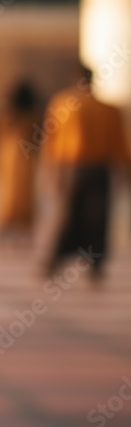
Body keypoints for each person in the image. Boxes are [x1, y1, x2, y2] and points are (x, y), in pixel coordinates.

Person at [42, 66, 131, 284]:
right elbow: (120, 145)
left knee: (69, 214)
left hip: (74, 169)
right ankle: (95, 266)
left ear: (75, 78)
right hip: (100, 171)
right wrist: (125, 173)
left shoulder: (62, 103)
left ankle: (54, 260)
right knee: (98, 218)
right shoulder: (108, 109)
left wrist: (53, 172)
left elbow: (52, 142)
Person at [0, 80, 40, 249]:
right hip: (26, 161)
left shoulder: (7, 116)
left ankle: (4, 235)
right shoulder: (32, 117)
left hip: (8, 159)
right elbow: (38, 140)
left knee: (7, 198)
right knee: (25, 199)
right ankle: (24, 238)